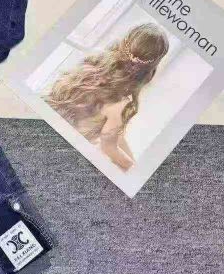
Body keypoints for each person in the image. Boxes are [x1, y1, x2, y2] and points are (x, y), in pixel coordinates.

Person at [44, 23, 169, 171]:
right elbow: (109, 147)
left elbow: (115, 136)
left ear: (124, 42)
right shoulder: (120, 104)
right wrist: (136, 171)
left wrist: (133, 161)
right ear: (150, 70)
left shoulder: (93, 62)